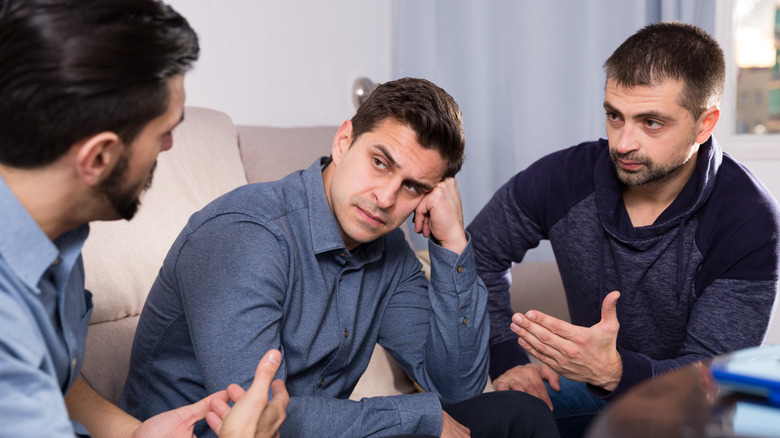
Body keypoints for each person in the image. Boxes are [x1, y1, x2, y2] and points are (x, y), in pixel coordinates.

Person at [120, 77, 560, 438]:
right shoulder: (247, 233)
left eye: (413, 186)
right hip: (218, 435)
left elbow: (457, 386)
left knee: (517, 415)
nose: (385, 198)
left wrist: (452, 246)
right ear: (344, 140)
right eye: (381, 162)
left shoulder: (389, 250)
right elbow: (255, 417)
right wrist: (418, 416)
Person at [467, 21, 780, 438]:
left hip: (697, 412)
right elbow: (476, 253)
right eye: (615, 116)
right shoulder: (564, 178)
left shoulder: (749, 219)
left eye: (651, 122)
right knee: (480, 419)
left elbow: (714, 381)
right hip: (594, 391)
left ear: (704, 125)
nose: (623, 143)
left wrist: (614, 371)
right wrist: (505, 356)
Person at [0, 1, 288, 437]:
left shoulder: (58, 235)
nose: (170, 146)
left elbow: (52, 378)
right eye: (163, 131)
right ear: (98, 157)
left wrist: (134, 434)